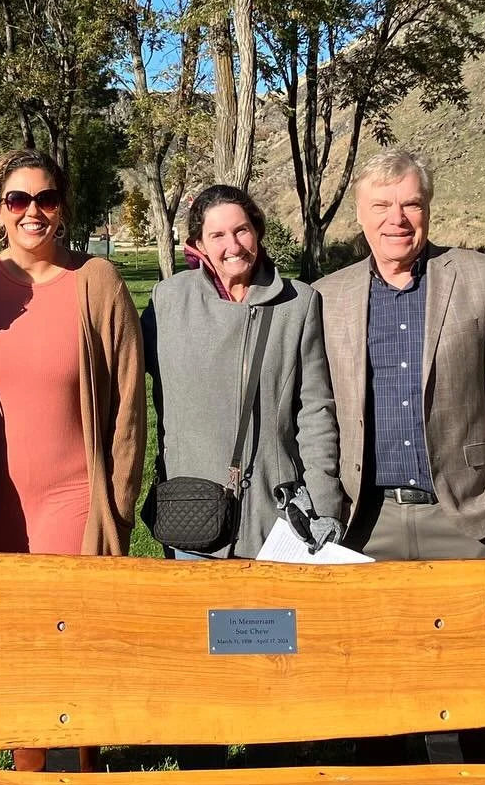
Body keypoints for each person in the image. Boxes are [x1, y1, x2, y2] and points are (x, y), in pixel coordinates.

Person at [0, 149, 145, 771]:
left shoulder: (97, 282)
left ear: (63, 208)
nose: (33, 211)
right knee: (10, 646)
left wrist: (118, 507)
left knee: (68, 643)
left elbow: (130, 408)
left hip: (73, 501)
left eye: (46, 198)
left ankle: (77, 780)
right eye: (17, 200)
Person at [314, 147, 485, 561]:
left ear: (427, 209)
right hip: (362, 521)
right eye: (380, 205)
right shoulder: (328, 296)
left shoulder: (480, 279)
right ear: (360, 215)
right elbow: (317, 411)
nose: (395, 219)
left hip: (465, 515)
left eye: (410, 204)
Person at [143, 183, 345, 561]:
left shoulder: (298, 304)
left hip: (276, 514)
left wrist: (324, 502)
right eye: (217, 235)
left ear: (257, 231)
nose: (233, 246)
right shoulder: (167, 302)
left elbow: (316, 410)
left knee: (275, 620)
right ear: (199, 245)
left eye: (241, 230)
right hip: (192, 513)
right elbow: (117, 376)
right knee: (196, 620)